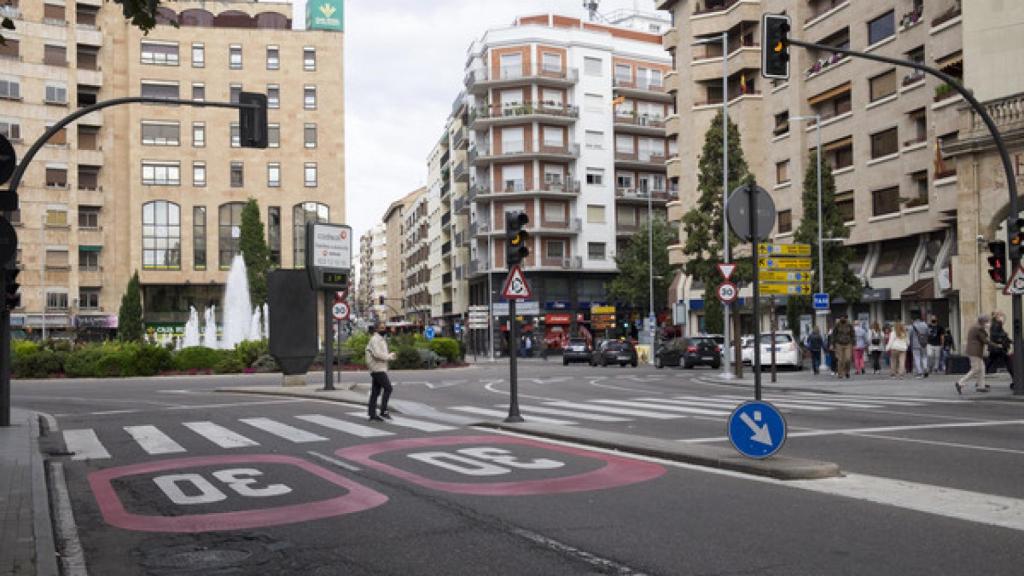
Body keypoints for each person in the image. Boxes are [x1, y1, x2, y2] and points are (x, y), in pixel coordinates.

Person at [365, 323, 397, 422]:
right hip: (377, 368)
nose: (384, 329)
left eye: (384, 327)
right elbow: (377, 354)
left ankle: (372, 414)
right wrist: (389, 356)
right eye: (381, 328)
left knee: (375, 392)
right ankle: (383, 411)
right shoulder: (375, 339)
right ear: (376, 329)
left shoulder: (380, 339)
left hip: (378, 368)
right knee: (388, 388)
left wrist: (388, 356)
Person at [957, 314, 991, 394]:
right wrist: (997, 345)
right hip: (974, 352)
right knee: (975, 369)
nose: (989, 323)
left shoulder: (976, 327)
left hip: (975, 352)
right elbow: (985, 340)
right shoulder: (978, 328)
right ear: (983, 322)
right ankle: (960, 382)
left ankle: (981, 386)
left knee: (982, 368)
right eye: (987, 322)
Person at [985, 311, 1014, 379]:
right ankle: (1015, 378)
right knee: (1008, 361)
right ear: (996, 316)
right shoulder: (997, 323)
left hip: (995, 348)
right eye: (999, 315)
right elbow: (996, 335)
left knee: (990, 362)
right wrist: (1005, 335)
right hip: (998, 348)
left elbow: (999, 334)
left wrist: (1010, 341)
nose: (1001, 317)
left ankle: (980, 377)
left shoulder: (995, 323)